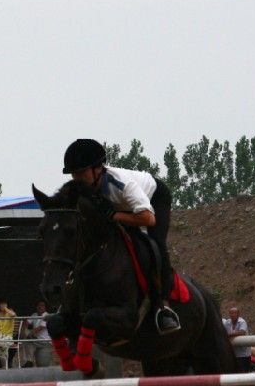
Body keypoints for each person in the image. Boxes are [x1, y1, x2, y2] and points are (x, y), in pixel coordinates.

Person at [63, 138, 180, 334]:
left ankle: (163, 306)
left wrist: (115, 215)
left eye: (81, 172)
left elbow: (148, 219)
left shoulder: (122, 184)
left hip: (152, 201)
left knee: (156, 243)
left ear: (97, 169)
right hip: (125, 210)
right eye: (74, 173)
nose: (77, 178)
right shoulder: (82, 186)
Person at [21, 300, 53, 367]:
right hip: (36, 339)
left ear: (45, 307)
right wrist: (23, 332)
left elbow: (39, 328)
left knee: (27, 342)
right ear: (36, 307)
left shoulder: (47, 316)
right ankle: (29, 361)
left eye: (42, 305)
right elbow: (26, 322)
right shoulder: (35, 314)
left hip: (44, 341)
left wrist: (29, 334)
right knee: (26, 341)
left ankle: (29, 361)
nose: (40, 307)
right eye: (39, 305)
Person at [222, 306, 251, 372]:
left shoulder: (242, 322)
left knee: (243, 372)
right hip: (233, 353)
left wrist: (228, 335)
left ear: (238, 314)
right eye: (231, 313)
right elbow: (223, 331)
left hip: (243, 354)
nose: (233, 315)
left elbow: (242, 332)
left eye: (235, 313)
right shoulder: (227, 322)